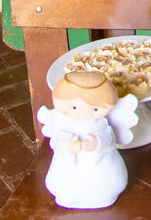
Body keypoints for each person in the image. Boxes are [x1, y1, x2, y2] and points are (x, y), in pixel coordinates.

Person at [37, 71, 139, 209]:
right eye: (74, 107)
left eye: (95, 108)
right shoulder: (64, 123)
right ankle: (66, 196)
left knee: (104, 184)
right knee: (64, 185)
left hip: (102, 174)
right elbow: (59, 141)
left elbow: (109, 139)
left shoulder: (102, 123)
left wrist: (97, 143)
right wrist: (68, 146)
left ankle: (104, 195)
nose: (83, 112)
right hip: (68, 174)